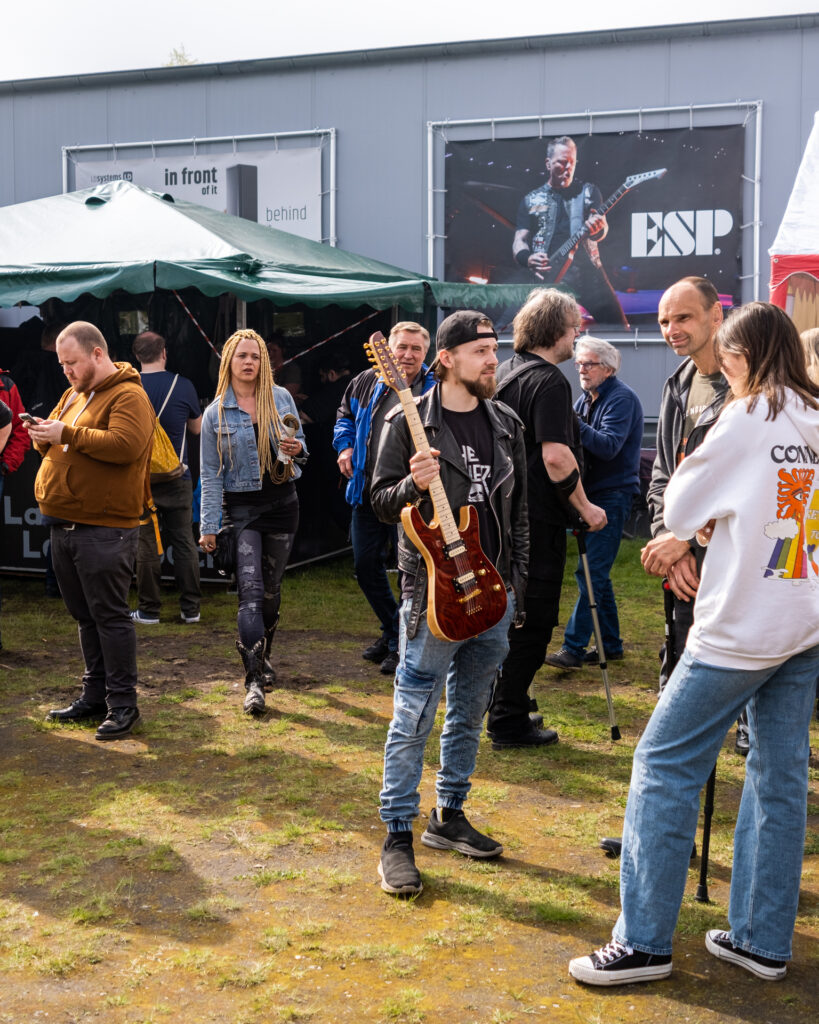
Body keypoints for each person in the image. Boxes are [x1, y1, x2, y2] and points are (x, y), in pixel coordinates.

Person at [569, 301, 819, 986]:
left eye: (727, 360)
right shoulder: (814, 415)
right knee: (778, 777)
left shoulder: (748, 415)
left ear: (740, 358)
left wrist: (702, 522)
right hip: (802, 620)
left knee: (662, 766)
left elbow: (678, 509)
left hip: (741, 628)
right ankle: (762, 940)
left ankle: (643, 942)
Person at [370, 310, 528, 896]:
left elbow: (519, 516)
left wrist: (518, 589)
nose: (493, 359)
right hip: (433, 594)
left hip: (493, 591)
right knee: (413, 716)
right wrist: (413, 482)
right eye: (482, 350)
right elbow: (378, 501)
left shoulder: (506, 422)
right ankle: (396, 836)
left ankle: (450, 814)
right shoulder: (407, 420)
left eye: (495, 348)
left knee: (468, 711)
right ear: (447, 358)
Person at [485, 289, 606, 749]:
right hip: (536, 522)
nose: (577, 336)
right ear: (556, 328)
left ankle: (508, 702)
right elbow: (556, 457)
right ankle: (508, 718)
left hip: (499, 519)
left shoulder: (504, 372)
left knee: (505, 618)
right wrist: (586, 506)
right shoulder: (551, 381)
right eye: (574, 326)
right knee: (533, 623)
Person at [27, 321, 154, 741]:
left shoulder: (129, 395)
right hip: (64, 524)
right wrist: (43, 434)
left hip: (104, 527)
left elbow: (126, 446)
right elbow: (59, 443)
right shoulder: (72, 394)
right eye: (62, 363)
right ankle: (95, 696)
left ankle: (123, 705)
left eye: (72, 362)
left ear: (98, 354)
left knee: (110, 617)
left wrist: (67, 432)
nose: (66, 370)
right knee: (86, 617)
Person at [640, 276, 749, 753]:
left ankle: (750, 732)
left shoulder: (749, 383)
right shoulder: (678, 383)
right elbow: (664, 473)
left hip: (738, 554)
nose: (671, 329)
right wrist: (671, 539)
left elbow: (747, 479)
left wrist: (685, 540)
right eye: (665, 320)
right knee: (683, 658)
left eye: (683, 317)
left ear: (716, 316)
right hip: (685, 556)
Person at [198, 329, 307, 715]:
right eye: (242, 356)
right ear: (229, 361)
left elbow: (301, 449)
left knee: (270, 593)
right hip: (241, 511)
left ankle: (263, 660)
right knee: (250, 590)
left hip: (282, 503)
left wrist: (296, 448)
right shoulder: (215, 412)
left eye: (256, 356)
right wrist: (208, 526)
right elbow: (210, 474)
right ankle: (253, 682)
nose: (249, 362)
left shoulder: (281, 399)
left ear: (264, 362)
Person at [334, 323, 435, 676]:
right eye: (401, 348)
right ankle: (393, 630)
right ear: (386, 351)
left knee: (409, 572)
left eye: (415, 349)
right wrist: (345, 446)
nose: (407, 355)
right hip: (367, 491)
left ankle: (402, 644)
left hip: (411, 497)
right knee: (365, 567)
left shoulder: (434, 388)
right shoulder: (364, 381)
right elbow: (344, 415)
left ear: (426, 353)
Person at [545, 336, 643, 668]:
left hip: (612, 496)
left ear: (609, 367)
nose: (581, 370)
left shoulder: (621, 399)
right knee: (596, 572)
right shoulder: (586, 399)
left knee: (590, 572)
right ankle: (611, 646)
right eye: (578, 364)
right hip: (592, 495)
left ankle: (573, 647)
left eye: (589, 364)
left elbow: (607, 446)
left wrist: (570, 423)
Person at [512, 136, 628, 328]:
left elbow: (601, 228)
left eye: (572, 163)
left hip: (589, 274)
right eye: (562, 162)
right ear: (548, 163)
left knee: (620, 328)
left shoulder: (589, 192)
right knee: (539, 332)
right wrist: (527, 258)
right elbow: (519, 240)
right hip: (550, 277)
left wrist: (597, 230)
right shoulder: (531, 199)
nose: (568, 169)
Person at [130, 331, 203, 625]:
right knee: (184, 541)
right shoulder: (183, 386)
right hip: (177, 477)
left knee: (146, 544)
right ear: (164, 353)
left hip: (139, 480)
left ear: (136, 356)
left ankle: (149, 610)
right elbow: (196, 430)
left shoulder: (127, 387)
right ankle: (191, 609)